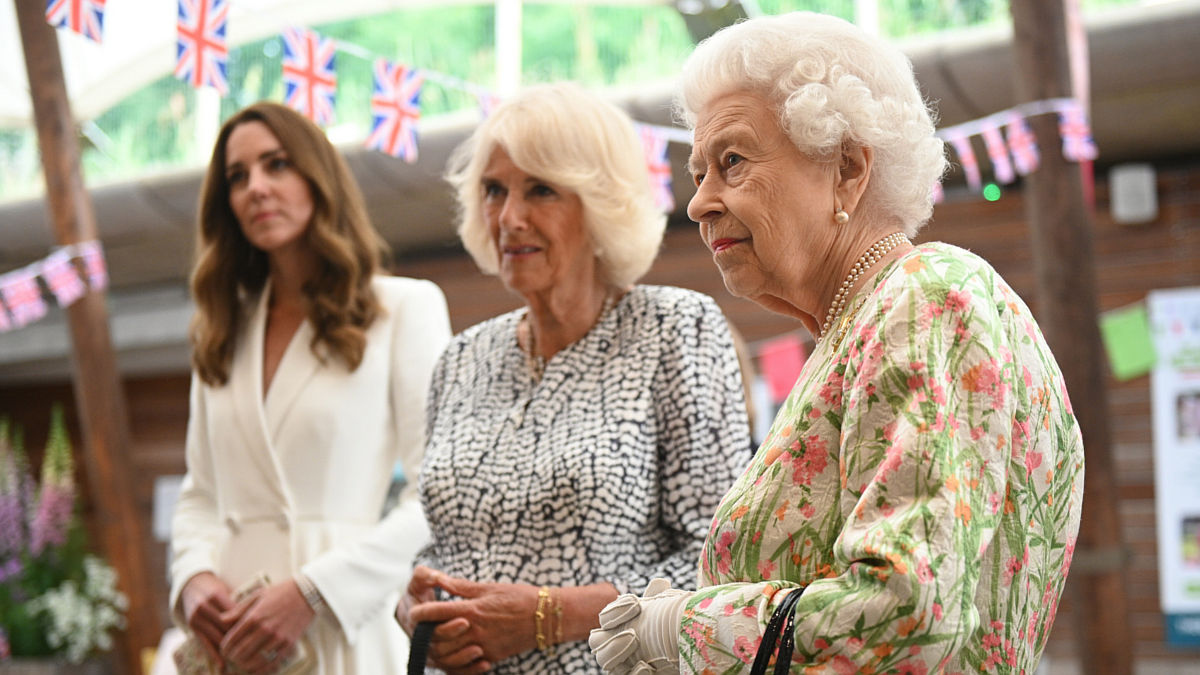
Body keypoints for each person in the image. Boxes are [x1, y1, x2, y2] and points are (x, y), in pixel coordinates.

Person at [589, 13, 1085, 674]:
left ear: (847, 169)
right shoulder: (866, 320)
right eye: (698, 171)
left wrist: (684, 627)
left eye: (731, 161)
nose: (698, 202)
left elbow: (906, 609)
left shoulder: (925, 294)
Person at [395, 82, 753, 674]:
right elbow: (444, 546)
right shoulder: (460, 359)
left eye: (540, 190)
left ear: (600, 202)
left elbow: (723, 565)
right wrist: (415, 608)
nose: (509, 218)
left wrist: (546, 616)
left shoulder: (674, 328)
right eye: (493, 191)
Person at [169, 101, 451, 674]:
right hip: (232, 637)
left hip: (341, 631)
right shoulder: (220, 330)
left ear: (318, 177)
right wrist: (192, 579)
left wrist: (314, 592)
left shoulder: (404, 308)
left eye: (276, 164)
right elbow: (200, 495)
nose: (256, 188)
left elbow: (438, 498)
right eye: (237, 176)